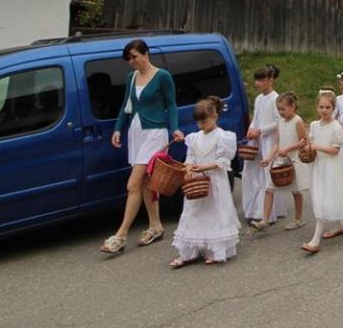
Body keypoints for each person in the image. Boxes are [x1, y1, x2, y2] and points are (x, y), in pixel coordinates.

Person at [101, 39, 185, 254]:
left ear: (146, 54)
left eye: (134, 57)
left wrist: (175, 128)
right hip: (136, 132)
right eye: (128, 59)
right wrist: (118, 129)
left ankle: (120, 236)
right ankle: (155, 226)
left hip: (155, 133)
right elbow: (126, 106)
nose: (131, 61)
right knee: (147, 182)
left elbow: (171, 104)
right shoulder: (131, 77)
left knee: (133, 185)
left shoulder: (162, 76)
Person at [169, 96, 240, 268]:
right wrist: (188, 169)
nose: (201, 125)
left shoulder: (223, 136)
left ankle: (216, 250)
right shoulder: (194, 137)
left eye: (204, 121)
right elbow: (190, 157)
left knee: (214, 212)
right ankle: (189, 252)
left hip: (214, 180)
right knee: (193, 212)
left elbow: (223, 162)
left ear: (215, 116)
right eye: (199, 122)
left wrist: (204, 167)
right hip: (197, 181)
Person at [300, 91, 343, 254]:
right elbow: (312, 141)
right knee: (321, 195)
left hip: (331, 167)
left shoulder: (336, 127)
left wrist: (316, 146)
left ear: (333, 108)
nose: (324, 110)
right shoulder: (314, 125)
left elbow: (335, 151)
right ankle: (341, 225)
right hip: (318, 166)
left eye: (328, 107)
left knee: (324, 198)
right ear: (317, 107)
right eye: (321, 107)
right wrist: (306, 144)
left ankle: (315, 240)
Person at [252, 92, 309, 231]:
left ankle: (298, 219)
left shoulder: (298, 121)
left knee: (296, 191)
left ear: (292, 106)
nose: (280, 112)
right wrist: (268, 158)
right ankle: (264, 220)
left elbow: (303, 141)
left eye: (283, 109)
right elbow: (277, 143)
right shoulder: (280, 122)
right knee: (269, 188)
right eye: (279, 109)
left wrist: (288, 148)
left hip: (294, 159)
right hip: (281, 159)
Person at [241, 65, 287, 225]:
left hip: (269, 141)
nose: (257, 83)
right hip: (257, 140)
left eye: (261, 80)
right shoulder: (259, 98)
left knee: (267, 176)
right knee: (253, 174)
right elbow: (256, 117)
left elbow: (278, 121)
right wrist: (251, 128)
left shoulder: (276, 98)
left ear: (270, 80)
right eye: (257, 80)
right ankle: (255, 209)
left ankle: (269, 212)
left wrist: (261, 130)